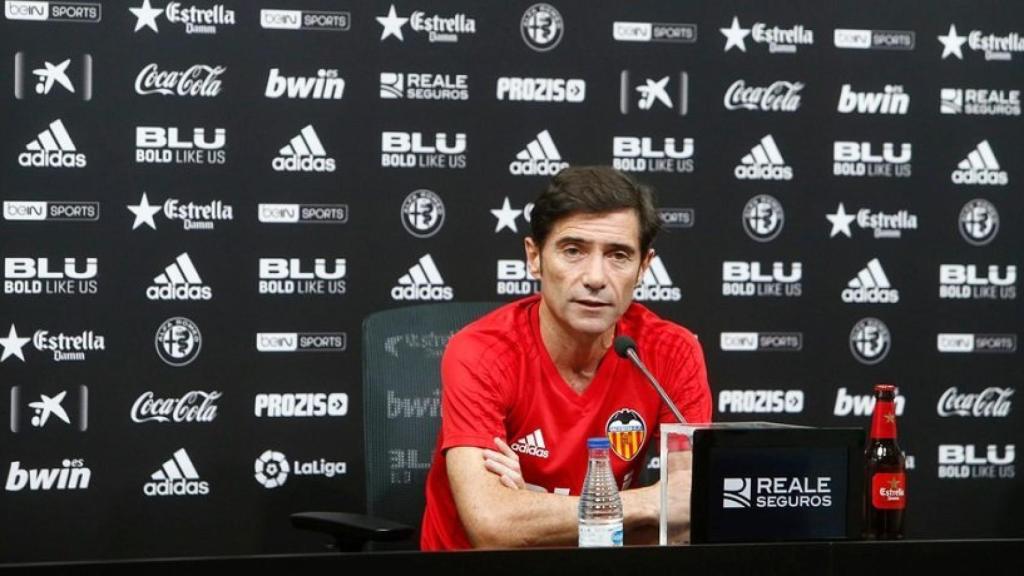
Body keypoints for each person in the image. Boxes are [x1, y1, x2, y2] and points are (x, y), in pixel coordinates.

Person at [420, 166, 711, 550]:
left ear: (643, 267)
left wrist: (533, 509)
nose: (595, 277)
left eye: (618, 255)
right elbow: (492, 526)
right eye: (573, 250)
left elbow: (689, 516)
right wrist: (651, 502)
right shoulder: (481, 352)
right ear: (534, 256)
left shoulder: (671, 351)